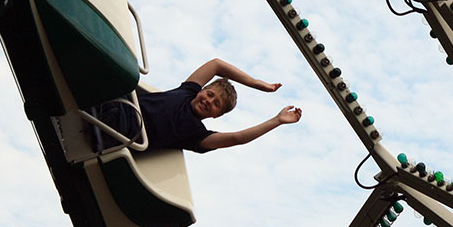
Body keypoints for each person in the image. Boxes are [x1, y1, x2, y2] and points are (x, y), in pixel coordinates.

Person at [98, 59, 302, 153]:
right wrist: (256, 83)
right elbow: (216, 65)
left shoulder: (196, 134)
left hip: (119, 134)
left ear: (217, 115)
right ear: (201, 90)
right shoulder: (187, 92)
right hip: (113, 104)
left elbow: (236, 138)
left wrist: (277, 120)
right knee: (117, 73)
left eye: (216, 104)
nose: (208, 101)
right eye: (210, 94)